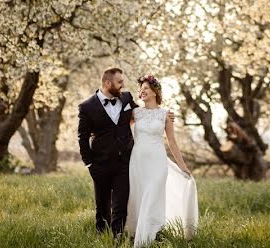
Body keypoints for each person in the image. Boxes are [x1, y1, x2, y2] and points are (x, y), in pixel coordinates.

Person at [126, 74, 198, 247]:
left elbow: (172, 142)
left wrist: (183, 167)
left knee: (152, 196)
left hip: (158, 162)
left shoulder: (166, 114)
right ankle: (135, 234)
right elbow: (117, 128)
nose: (142, 92)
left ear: (155, 92)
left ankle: (145, 239)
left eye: (146, 89)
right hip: (137, 162)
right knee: (138, 197)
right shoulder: (135, 113)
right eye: (141, 89)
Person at [77, 67, 137, 237]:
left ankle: (117, 239)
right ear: (107, 83)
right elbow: (82, 138)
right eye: (119, 82)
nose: (122, 85)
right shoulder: (87, 106)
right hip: (100, 165)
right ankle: (101, 239)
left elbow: (142, 114)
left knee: (120, 206)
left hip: (124, 164)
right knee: (102, 207)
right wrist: (89, 164)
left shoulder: (126, 98)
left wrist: (162, 115)